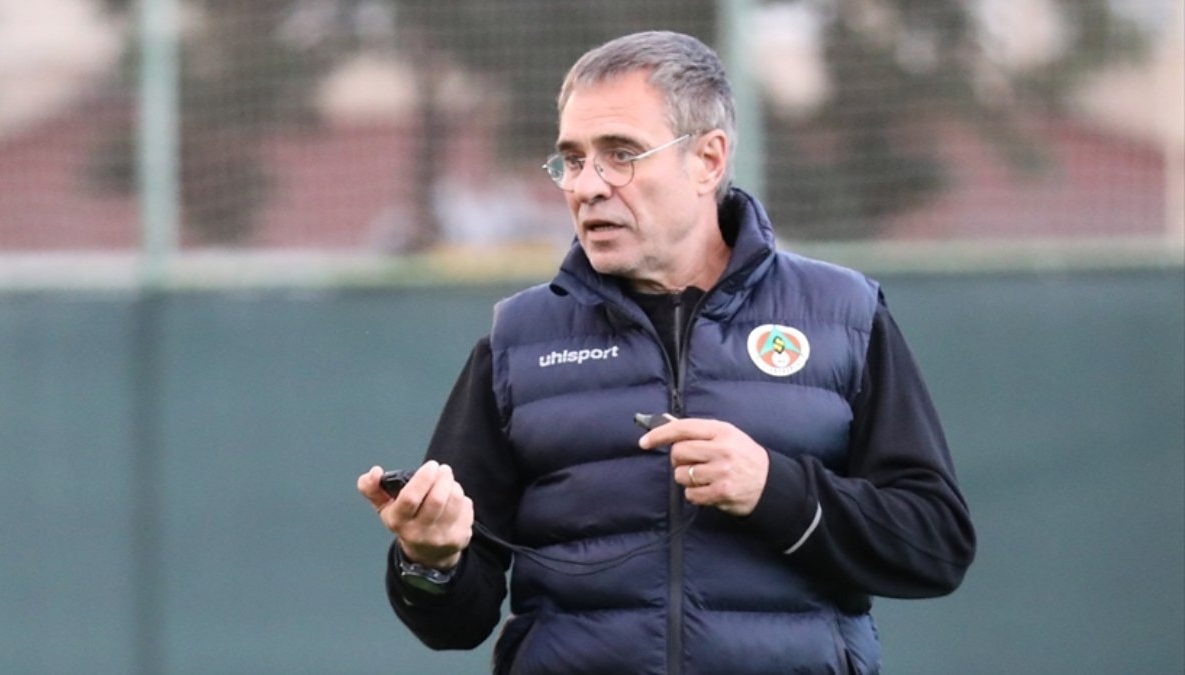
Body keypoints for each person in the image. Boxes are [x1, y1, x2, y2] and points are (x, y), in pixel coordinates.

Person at [357, 30, 975, 675]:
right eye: (572, 159)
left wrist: (775, 488)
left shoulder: (843, 314)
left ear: (708, 159)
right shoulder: (519, 339)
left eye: (620, 154)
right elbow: (455, 623)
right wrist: (430, 561)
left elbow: (935, 546)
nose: (587, 186)